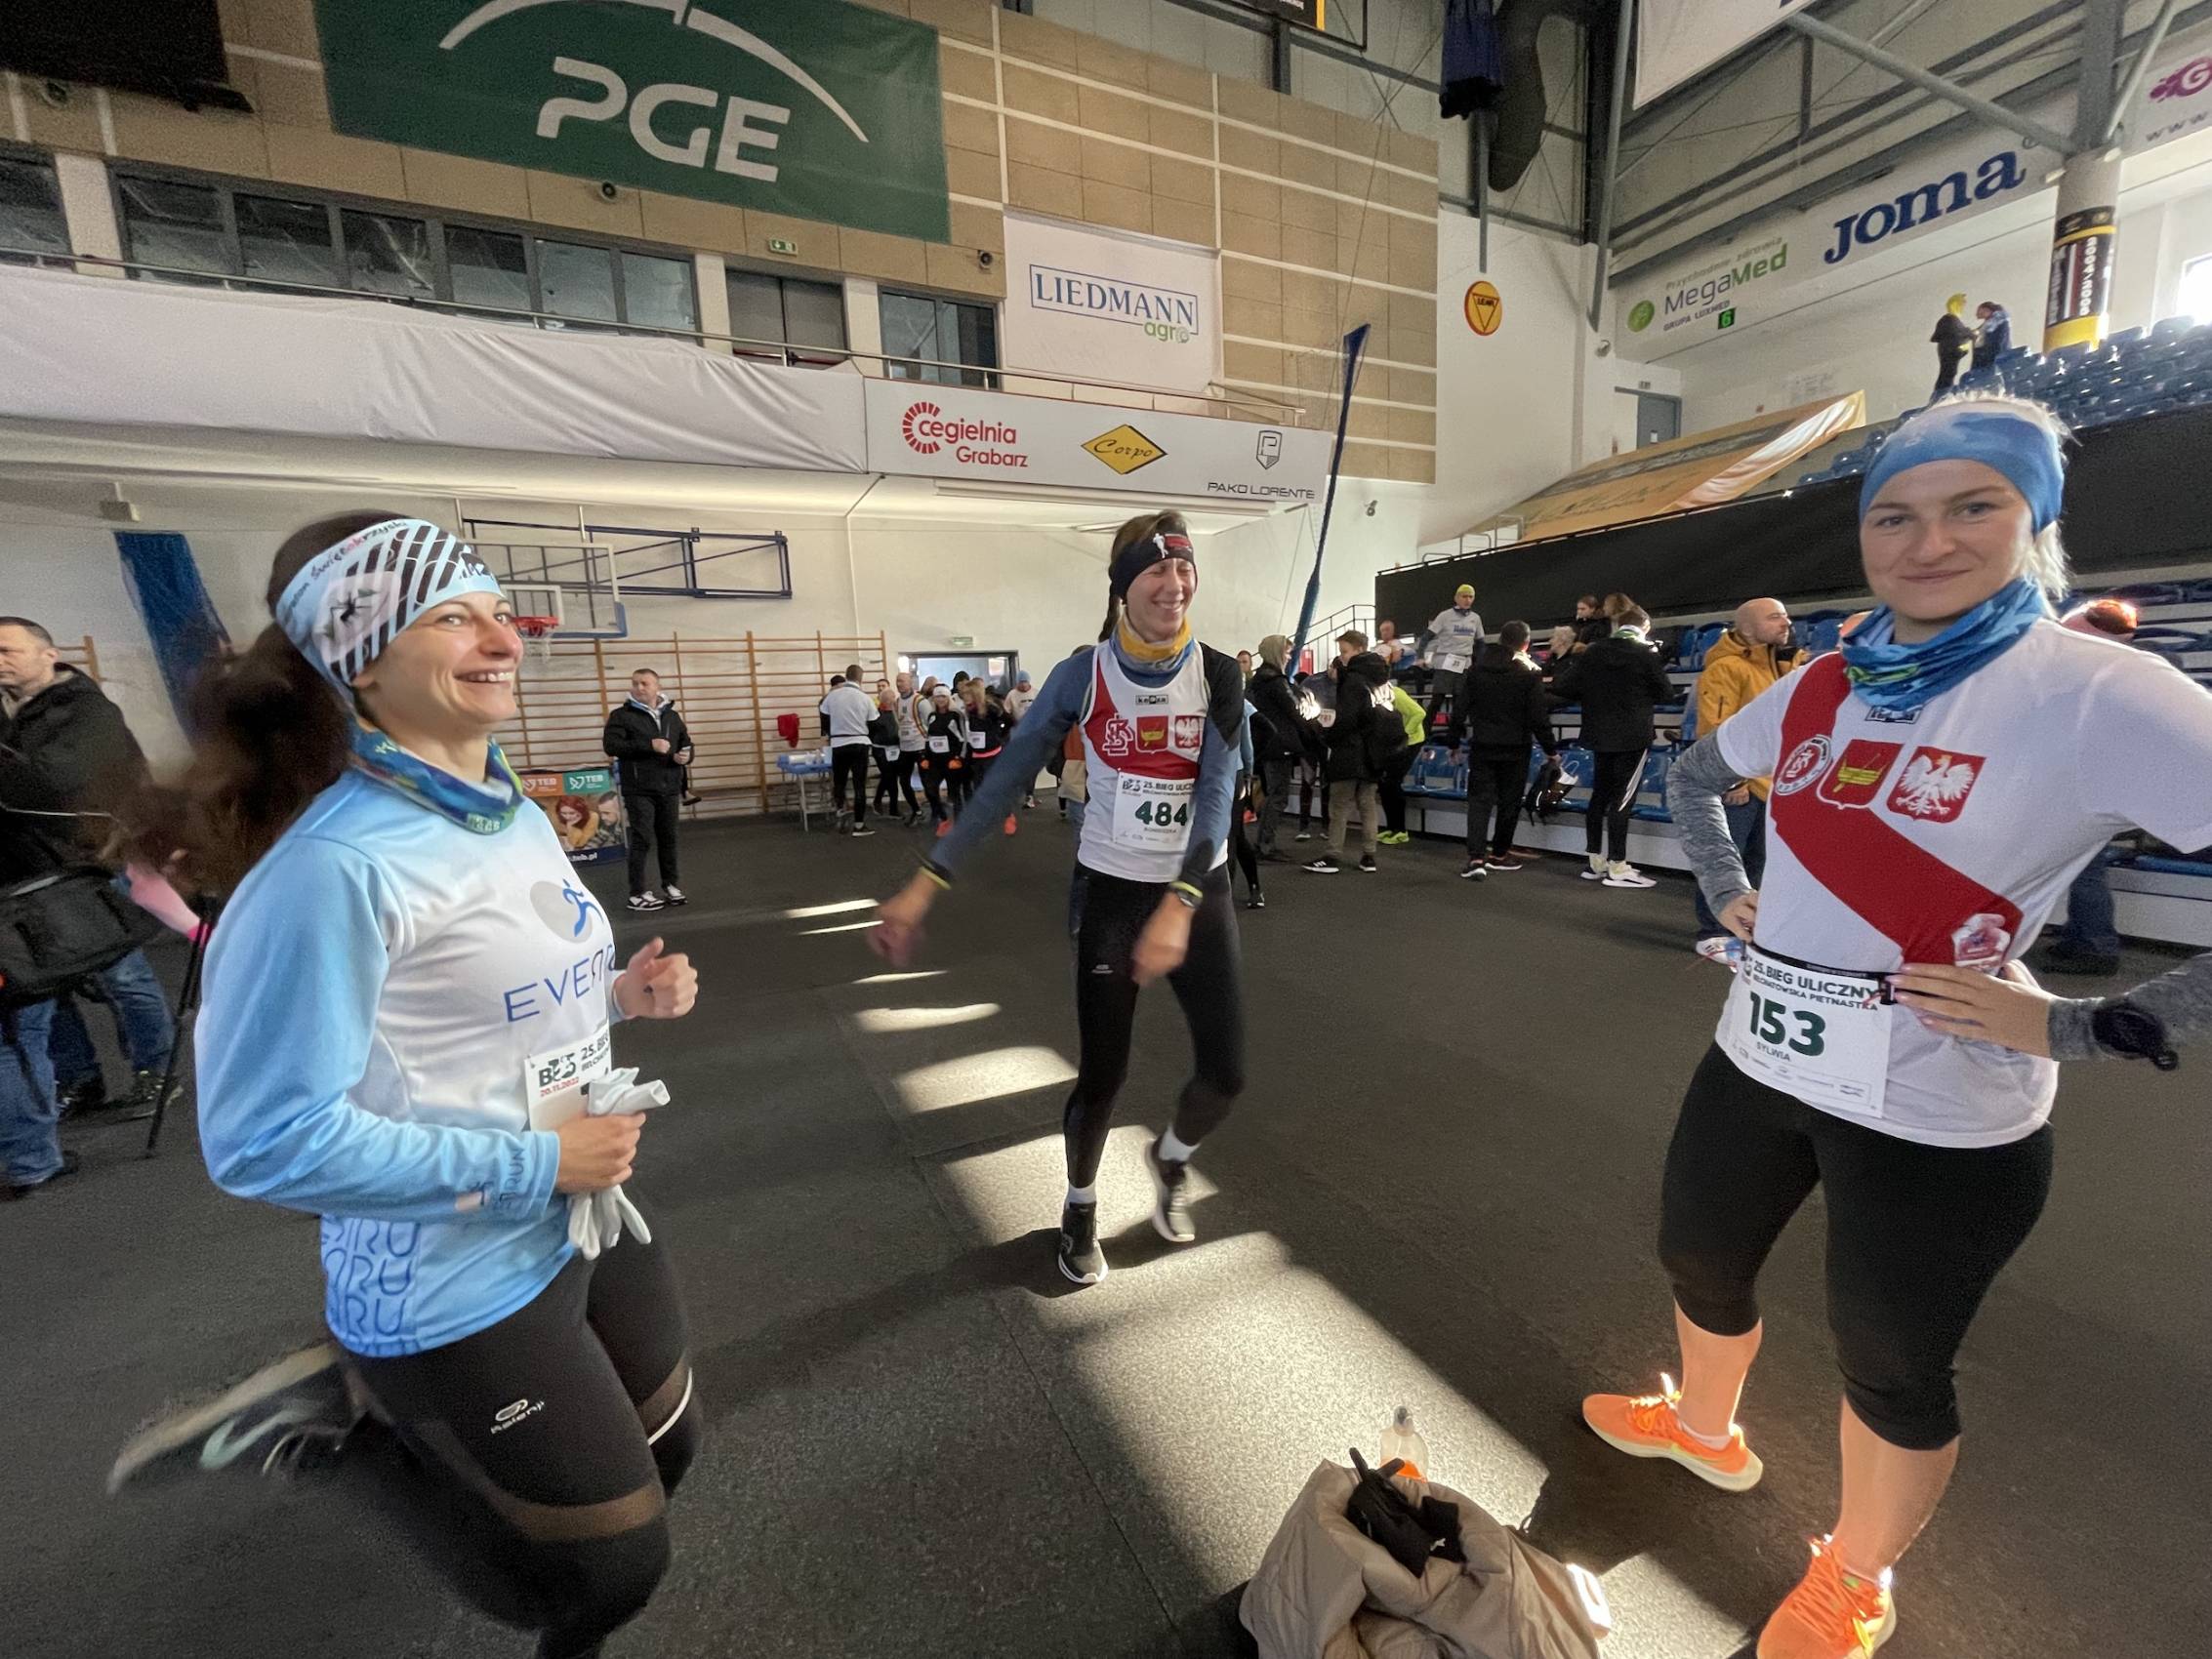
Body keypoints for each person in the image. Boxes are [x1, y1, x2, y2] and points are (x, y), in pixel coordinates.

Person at [1580, 394, 2212, 1659]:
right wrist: (1727, 885)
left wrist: (2089, 1029)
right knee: (1697, 1256)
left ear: (2033, 518)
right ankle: (1701, 1428)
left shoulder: (2094, 691)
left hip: (1935, 1105)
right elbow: (1697, 778)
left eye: (1972, 506)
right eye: (1894, 516)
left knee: (1889, 1361)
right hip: (1758, 1054)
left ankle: (1854, 1574)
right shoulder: (1824, 679)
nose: (1927, 542)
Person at [109, 513, 704, 1659]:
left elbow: (483, 1000)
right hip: (448, 1276)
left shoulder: (506, 805)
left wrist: (618, 994)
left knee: (665, 1451)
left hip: (580, 1212)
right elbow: (263, 1139)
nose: (504, 639)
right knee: (607, 1569)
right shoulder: (333, 869)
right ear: (362, 659)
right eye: (453, 617)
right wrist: (536, 1161)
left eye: (498, 611)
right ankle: (334, 1435)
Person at [872, 511, 1246, 1287]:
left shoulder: (1219, 674)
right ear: (1122, 585)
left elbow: (1217, 795)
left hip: (1195, 891)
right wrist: (925, 882)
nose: (1175, 585)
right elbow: (1004, 781)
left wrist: (1180, 903)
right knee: (1103, 1076)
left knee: (1226, 1075)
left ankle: (1172, 1159)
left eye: (1184, 569)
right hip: (1114, 891)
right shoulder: (1083, 676)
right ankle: (1080, 1205)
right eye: (1156, 570)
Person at [0, 616, 175, 1193]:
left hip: (93, 861)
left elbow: (54, 784)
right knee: (43, 983)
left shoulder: (85, 711)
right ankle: (80, 1078)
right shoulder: (12, 714)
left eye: (8, 650)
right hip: (35, 871)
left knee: (121, 973)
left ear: (49, 654)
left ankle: (156, 1068)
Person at [1689, 597, 1804, 960]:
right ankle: (1712, 932)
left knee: (1759, 861)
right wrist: (1731, 780)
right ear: (1749, 628)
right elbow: (1714, 727)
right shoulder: (1726, 668)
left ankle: (1745, 928)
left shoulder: (1785, 665)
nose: (1785, 623)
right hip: (1741, 785)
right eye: (1775, 617)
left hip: (1775, 783)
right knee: (1726, 861)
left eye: (1785, 616)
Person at [2035, 597, 2142, 976]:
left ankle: (2096, 947)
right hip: (2086, 790)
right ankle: (2083, 938)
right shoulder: (2120, 674)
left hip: (2084, 792)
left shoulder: (2103, 680)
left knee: (2085, 873)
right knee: (2083, 872)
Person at [1548, 603, 1673, 888]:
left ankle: (1595, 861)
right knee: (1623, 799)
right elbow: (1666, 692)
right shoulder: (1645, 654)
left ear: (1617, 626)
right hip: (1633, 736)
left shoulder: (1593, 652)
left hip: (1598, 734)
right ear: (1644, 627)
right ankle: (1618, 865)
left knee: (1599, 797)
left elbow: (1564, 686)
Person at [1454, 622, 1558, 879]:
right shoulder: (1528, 675)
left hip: (1483, 745)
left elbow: (1459, 710)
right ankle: (1499, 855)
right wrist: (1551, 749)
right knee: (1509, 803)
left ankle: (1476, 858)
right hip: (1516, 748)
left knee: (1479, 802)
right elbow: (1538, 717)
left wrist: (1453, 742)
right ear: (1525, 644)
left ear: (1501, 640)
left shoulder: (1475, 671)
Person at [601, 668, 692, 911]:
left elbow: (685, 743)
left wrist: (686, 756)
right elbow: (611, 746)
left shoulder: (672, 716)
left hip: (669, 786)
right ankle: (637, 894)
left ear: (657, 687)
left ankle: (671, 885)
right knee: (641, 839)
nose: (639, 687)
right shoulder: (621, 716)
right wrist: (649, 745)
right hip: (639, 788)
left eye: (644, 683)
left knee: (669, 838)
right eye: (635, 683)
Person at [1306, 633, 1393, 874]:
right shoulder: (1381, 681)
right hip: (1373, 752)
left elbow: (1346, 720)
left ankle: (1332, 855)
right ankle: (1369, 856)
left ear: (1358, 650)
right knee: (1368, 806)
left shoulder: (1353, 682)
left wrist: (1329, 737)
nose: (1341, 656)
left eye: (1345, 651)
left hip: (1349, 751)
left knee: (1339, 806)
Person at [819, 663, 878, 837]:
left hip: (838, 743)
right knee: (859, 785)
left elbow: (824, 719)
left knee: (839, 782)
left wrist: (832, 734)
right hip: (859, 742)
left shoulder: (832, 696)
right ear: (861, 678)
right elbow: (874, 723)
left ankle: (840, 810)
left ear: (846, 676)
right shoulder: (865, 698)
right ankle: (859, 825)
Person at [1375, 670, 1428, 846]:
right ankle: (1392, 828)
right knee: (1385, 785)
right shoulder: (1377, 696)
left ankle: (1400, 830)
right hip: (1394, 744)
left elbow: (1419, 713)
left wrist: (1406, 734)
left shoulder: (1396, 694)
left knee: (1392, 783)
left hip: (1410, 743)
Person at [1417, 584, 1485, 717]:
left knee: (1459, 703)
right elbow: (1426, 637)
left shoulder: (1475, 618)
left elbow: (1481, 642)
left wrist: (1480, 663)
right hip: (1445, 661)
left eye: (1471, 597)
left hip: (1464, 663)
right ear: (1456, 598)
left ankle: (1455, 729)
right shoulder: (1445, 616)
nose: (1467, 600)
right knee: (1437, 700)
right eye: (1464, 596)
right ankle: (1425, 728)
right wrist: (1420, 656)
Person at [962, 678, 1016, 837]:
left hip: (993, 755)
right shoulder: (970, 710)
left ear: (975, 695)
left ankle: (1008, 816)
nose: (964, 699)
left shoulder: (991, 708)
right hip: (977, 755)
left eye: (967, 695)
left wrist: (999, 735)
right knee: (978, 788)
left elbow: (1010, 721)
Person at [920, 683, 967, 833]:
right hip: (935, 761)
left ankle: (960, 824)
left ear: (948, 698)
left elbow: (963, 738)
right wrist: (925, 756)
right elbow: (929, 737)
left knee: (954, 794)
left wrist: (959, 758)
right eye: (937, 696)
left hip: (951, 761)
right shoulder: (932, 716)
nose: (940, 699)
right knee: (930, 790)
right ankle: (944, 818)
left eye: (943, 696)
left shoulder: (956, 715)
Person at [870, 688, 918, 825]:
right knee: (889, 777)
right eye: (890, 698)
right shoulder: (875, 714)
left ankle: (882, 802)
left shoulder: (897, 712)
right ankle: (891, 807)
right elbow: (871, 732)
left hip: (896, 749)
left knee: (891, 777)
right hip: (881, 749)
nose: (892, 700)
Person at [1931, 292, 1973, 398]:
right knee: (1948, 373)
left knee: (1949, 372)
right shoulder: (1950, 319)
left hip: (1950, 350)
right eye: (1961, 304)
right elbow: (1958, 332)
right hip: (1949, 351)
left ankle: (1943, 393)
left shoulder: (1951, 319)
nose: (1962, 307)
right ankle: (1942, 394)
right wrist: (1969, 333)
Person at [1971, 300, 2011, 377]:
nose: (1977, 314)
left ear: (1987, 310)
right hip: (1984, 355)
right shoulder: (1989, 323)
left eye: (1979, 310)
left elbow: (1998, 342)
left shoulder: (1997, 322)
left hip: (1990, 357)